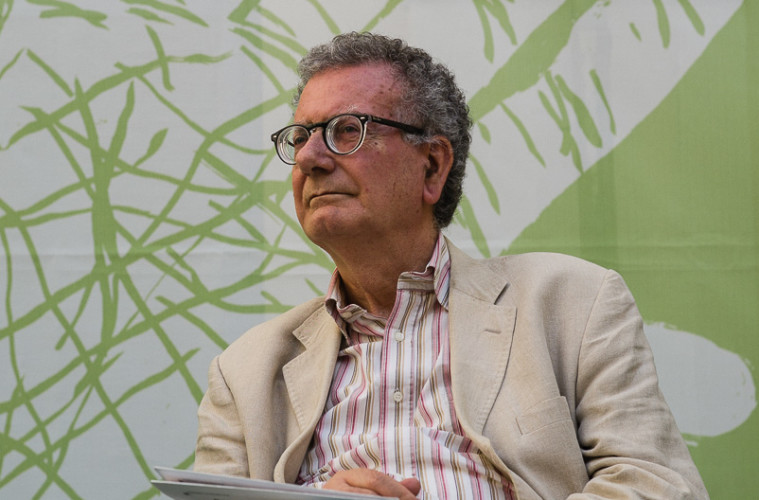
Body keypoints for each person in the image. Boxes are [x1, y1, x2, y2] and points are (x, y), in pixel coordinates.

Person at [194, 32, 708, 499]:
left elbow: (659, 485)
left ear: (432, 166)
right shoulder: (244, 373)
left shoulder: (574, 303)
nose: (310, 158)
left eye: (346, 130)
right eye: (300, 138)